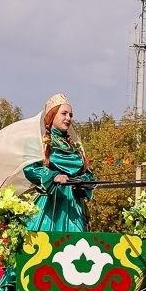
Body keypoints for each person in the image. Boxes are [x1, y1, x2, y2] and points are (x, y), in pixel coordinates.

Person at [22, 94, 95, 233]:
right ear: (52, 115)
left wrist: (83, 182)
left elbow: (89, 175)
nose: (68, 118)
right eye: (64, 113)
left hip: (74, 208)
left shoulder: (76, 147)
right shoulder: (38, 142)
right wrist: (54, 176)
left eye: (71, 115)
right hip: (48, 207)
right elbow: (30, 169)